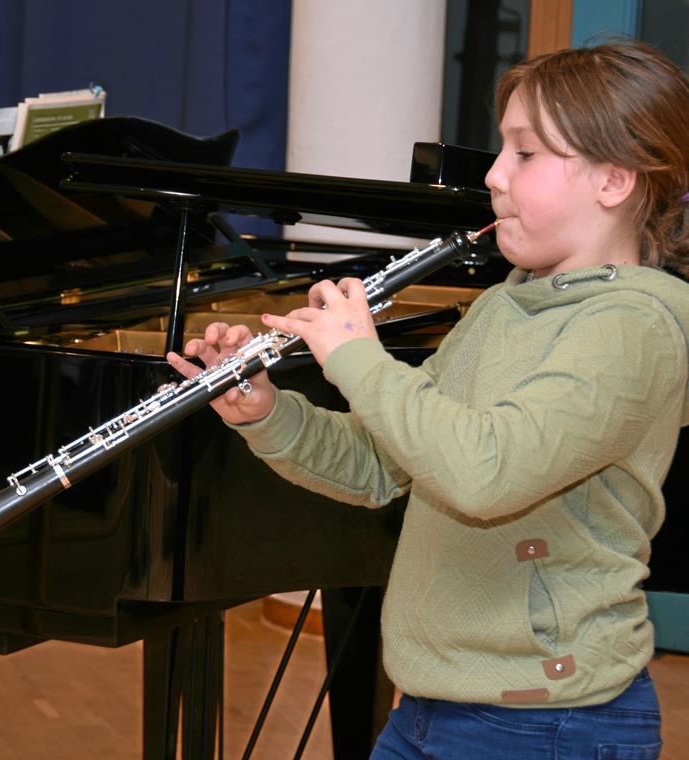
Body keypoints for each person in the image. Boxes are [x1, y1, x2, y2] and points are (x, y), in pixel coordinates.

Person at [168, 40, 688, 758]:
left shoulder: (632, 328)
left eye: (526, 154)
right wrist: (268, 411)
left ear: (615, 180)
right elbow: (385, 465)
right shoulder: (505, 307)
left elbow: (486, 473)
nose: (496, 176)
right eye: (501, 150)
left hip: (547, 721)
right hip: (430, 707)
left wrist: (357, 356)